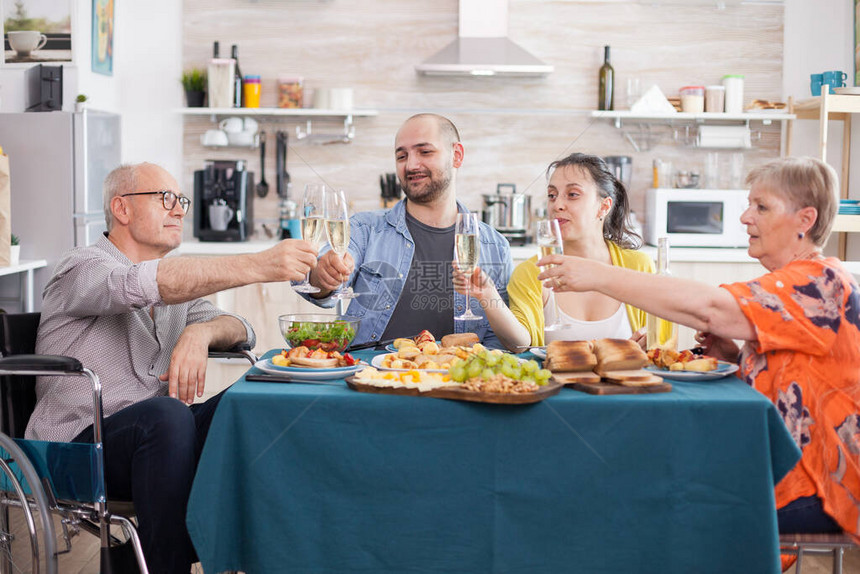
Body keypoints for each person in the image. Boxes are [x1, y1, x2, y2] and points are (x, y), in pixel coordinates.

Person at [537, 156, 860, 543]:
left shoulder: (822, 283)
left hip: (820, 483)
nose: (744, 217)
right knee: (641, 473)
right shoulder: (795, 280)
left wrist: (596, 275)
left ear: (805, 221)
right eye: (748, 204)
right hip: (786, 464)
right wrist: (735, 357)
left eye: (761, 207)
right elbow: (797, 379)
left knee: (652, 494)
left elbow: (710, 309)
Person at [25, 162, 318, 573]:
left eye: (180, 200)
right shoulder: (81, 267)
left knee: (262, 390)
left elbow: (241, 329)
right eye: (166, 199)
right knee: (167, 415)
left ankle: (273, 553)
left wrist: (199, 335)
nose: (179, 209)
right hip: (76, 450)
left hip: (159, 444)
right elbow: (138, 284)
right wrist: (259, 265)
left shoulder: (178, 294)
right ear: (122, 209)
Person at [307, 113, 513, 349]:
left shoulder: (495, 247)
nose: (411, 165)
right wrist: (324, 275)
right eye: (402, 156)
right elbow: (323, 288)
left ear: (456, 156)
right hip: (368, 375)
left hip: (455, 378)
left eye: (425, 152)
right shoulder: (365, 229)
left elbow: (498, 343)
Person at [453, 153, 657, 351]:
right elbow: (520, 343)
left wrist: (654, 338)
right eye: (552, 195)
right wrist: (488, 294)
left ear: (604, 207)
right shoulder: (531, 272)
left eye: (573, 195)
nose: (557, 205)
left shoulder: (639, 266)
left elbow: (662, 340)